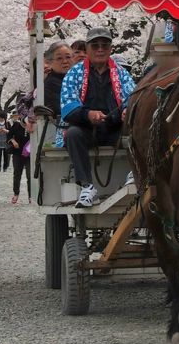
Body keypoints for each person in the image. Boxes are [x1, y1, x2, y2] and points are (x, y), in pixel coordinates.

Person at [60, 27, 135, 208]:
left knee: (140, 128)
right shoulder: (75, 73)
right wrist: (88, 114)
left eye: (104, 45)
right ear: (87, 49)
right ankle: (87, 186)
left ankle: (135, 173)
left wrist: (129, 110)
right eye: (95, 45)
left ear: (111, 49)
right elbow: (68, 107)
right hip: (86, 129)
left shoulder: (121, 73)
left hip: (114, 128)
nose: (100, 49)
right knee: (72, 134)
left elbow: (133, 97)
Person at [43, 40, 74, 117]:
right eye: (59, 58)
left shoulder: (77, 78)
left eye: (68, 57)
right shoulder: (51, 84)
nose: (65, 61)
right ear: (50, 62)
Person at [9, 113, 32, 204]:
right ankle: (16, 193)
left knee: (30, 175)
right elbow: (9, 135)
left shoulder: (33, 126)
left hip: (29, 154)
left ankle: (31, 195)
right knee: (17, 174)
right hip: (17, 153)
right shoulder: (16, 125)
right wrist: (13, 141)